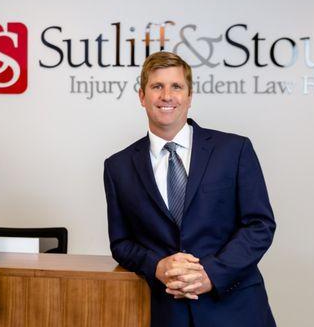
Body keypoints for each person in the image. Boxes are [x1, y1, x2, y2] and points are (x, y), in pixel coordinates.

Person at [104, 51, 276, 326]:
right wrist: (156, 266)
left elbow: (259, 225)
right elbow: (122, 243)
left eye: (176, 86)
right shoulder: (118, 167)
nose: (166, 96)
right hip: (165, 312)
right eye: (157, 86)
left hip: (235, 309)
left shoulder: (234, 150)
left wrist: (211, 274)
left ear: (189, 96)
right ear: (141, 96)